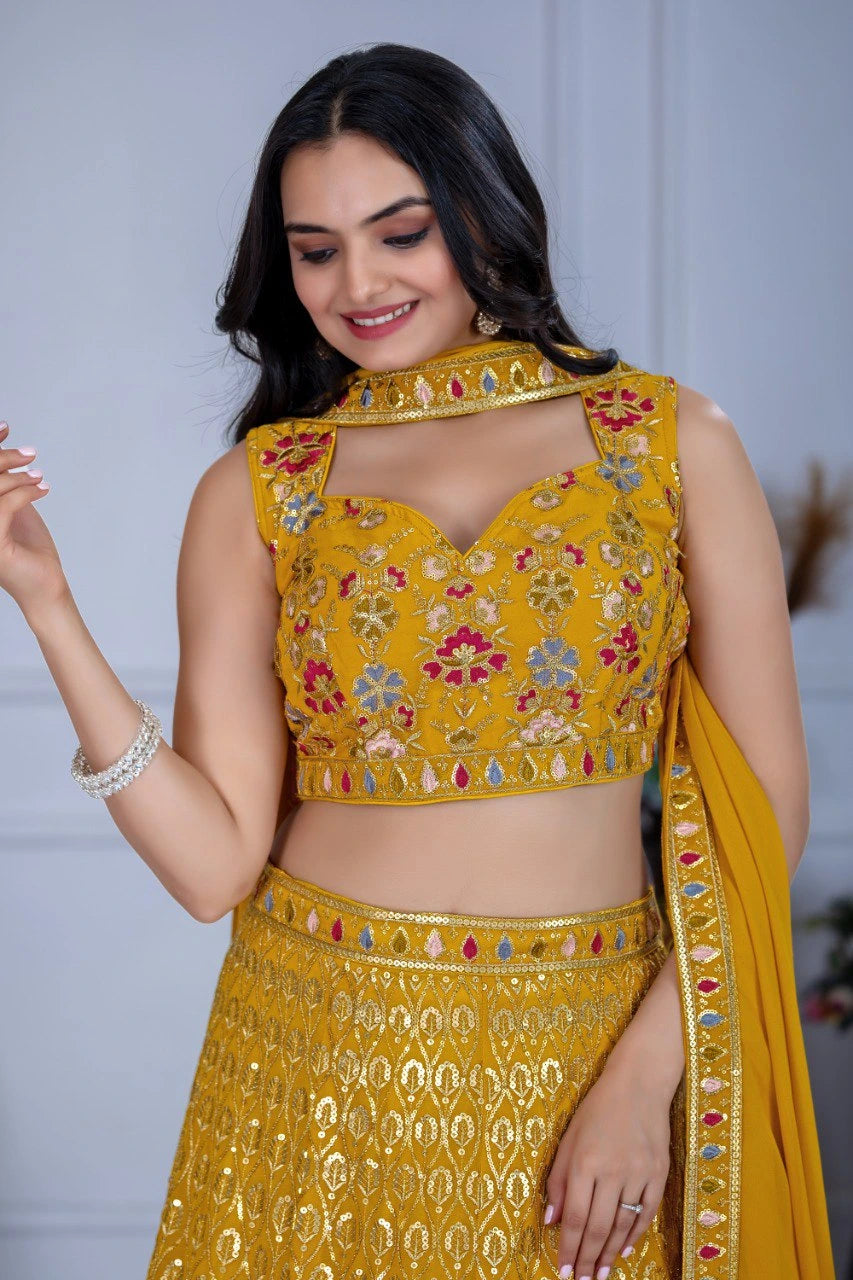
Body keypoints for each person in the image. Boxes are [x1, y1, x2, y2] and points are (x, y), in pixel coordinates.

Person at [1, 41, 835, 1280]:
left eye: (401, 232)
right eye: (315, 249)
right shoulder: (260, 490)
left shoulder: (664, 441)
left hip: (588, 1043)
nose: (358, 283)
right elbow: (214, 866)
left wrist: (643, 1074)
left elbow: (765, 805)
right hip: (313, 1044)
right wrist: (48, 603)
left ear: (483, 212)